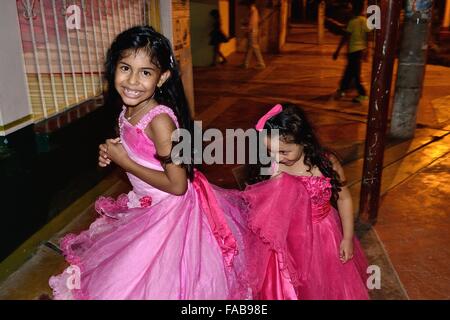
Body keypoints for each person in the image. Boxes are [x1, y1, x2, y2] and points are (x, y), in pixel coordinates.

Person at [49, 26, 249, 300]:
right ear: (113, 68)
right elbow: (141, 154)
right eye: (125, 68)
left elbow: (178, 185)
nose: (132, 81)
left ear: (162, 77)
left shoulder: (160, 121)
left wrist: (126, 163)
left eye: (145, 72)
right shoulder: (128, 108)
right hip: (146, 203)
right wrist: (114, 154)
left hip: (170, 211)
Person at [243, 103, 370, 299]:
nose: (277, 157)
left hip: (324, 236)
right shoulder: (272, 166)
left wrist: (347, 237)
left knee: (325, 284)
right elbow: (266, 212)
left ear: (303, 140)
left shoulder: (326, 163)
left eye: (284, 152)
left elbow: (344, 198)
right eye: (270, 151)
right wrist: (273, 179)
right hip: (288, 239)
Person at [333, 0, 371, 103]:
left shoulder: (352, 22)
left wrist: (337, 50)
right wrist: (367, 50)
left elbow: (345, 37)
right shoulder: (364, 21)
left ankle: (362, 93)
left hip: (353, 51)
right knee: (349, 71)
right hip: (359, 51)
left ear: (353, 9)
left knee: (354, 73)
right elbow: (367, 37)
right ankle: (342, 89)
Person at [241, 0, 266, 69]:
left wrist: (246, 28)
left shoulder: (253, 11)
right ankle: (245, 63)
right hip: (252, 31)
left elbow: (252, 23)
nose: (246, 7)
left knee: (255, 47)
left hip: (252, 31)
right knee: (250, 48)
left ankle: (261, 63)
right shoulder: (254, 11)